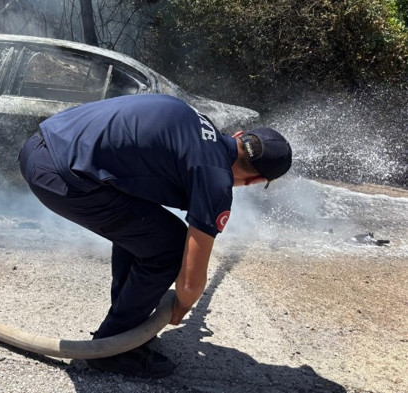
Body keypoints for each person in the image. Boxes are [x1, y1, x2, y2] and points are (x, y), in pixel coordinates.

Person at [18, 93, 292, 379]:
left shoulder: (194, 119)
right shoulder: (215, 179)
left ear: (237, 135)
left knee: (147, 228)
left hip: (39, 143)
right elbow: (190, 279)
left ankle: (126, 327)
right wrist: (180, 308)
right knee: (172, 248)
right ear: (255, 181)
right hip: (59, 176)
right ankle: (114, 349)